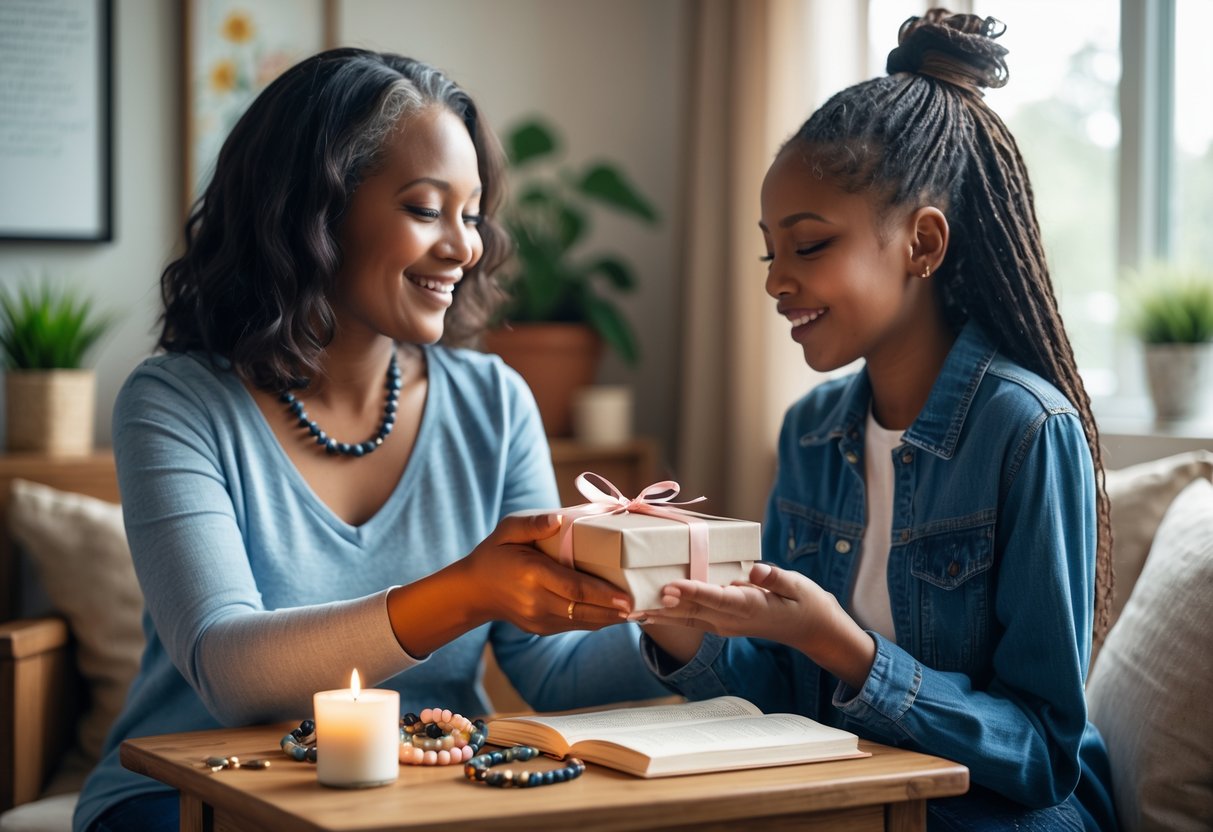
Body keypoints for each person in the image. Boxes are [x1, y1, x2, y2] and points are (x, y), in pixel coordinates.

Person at [75, 49, 668, 832]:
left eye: (472, 214)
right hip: (188, 797)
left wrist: (676, 624)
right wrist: (468, 590)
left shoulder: (493, 403)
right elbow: (232, 672)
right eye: (426, 210)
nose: (465, 247)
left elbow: (548, 669)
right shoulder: (174, 404)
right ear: (312, 213)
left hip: (426, 802)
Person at [639, 10, 1117, 831]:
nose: (775, 282)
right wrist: (679, 625)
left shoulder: (1028, 432)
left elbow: (1042, 753)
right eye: (769, 253)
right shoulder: (810, 430)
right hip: (858, 795)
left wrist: (844, 649)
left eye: (810, 246)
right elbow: (787, 700)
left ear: (921, 243)